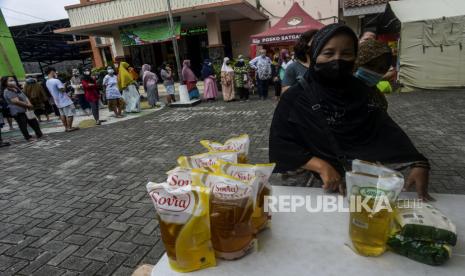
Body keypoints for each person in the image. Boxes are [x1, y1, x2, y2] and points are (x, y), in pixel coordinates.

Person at [269, 23, 433, 201]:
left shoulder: (364, 93)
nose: (337, 60)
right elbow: (281, 144)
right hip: (312, 189)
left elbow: (386, 130)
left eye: (346, 53)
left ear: (355, 57)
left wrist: (418, 161)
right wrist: (321, 166)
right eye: (328, 53)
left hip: (358, 187)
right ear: (315, 55)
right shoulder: (295, 97)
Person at [355, 39, 393, 111]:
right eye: (370, 64)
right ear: (358, 60)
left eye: (381, 69)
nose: (374, 71)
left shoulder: (379, 98)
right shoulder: (336, 93)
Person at [2, 76, 43, 141]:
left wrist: (29, 103)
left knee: (34, 122)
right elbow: (16, 101)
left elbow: (24, 96)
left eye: (13, 80)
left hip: (26, 109)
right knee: (23, 124)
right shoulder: (7, 91)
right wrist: (27, 105)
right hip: (18, 111)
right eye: (10, 80)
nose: (13, 81)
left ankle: (39, 134)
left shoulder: (16, 88)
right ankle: (28, 137)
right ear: (5, 83)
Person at [46, 67, 79, 132]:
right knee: (70, 114)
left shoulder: (47, 82)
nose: (55, 73)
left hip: (57, 101)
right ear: (52, 71)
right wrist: (64, 85)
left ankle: (66, 127)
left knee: (62, 114)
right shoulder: (56, 80)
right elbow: (62, 90)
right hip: (64, 100)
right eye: (54, 71)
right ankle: (69, 127)